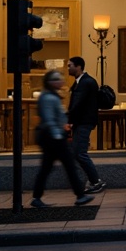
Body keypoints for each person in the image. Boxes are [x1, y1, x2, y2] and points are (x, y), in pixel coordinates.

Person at [30, 70, 93, 208]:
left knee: (49, 167)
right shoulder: (49, 98)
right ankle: (80, 195)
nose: (61, 82)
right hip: (53, 138)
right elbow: (49, 119)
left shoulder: (50, 96)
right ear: (51, 82)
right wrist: (58, 135)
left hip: (53, 137)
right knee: (68, 166)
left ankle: (37, 197)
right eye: (58, 80)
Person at [66, 56, 106, 193]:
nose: (68, 68)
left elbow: (77, 104)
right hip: (82, 122)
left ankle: (95, 181)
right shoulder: (82, 82)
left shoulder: (85, 83)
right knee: (78, 153)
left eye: (70, 65)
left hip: (83, 122)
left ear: (78, 67)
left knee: (80, 153)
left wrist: (69, 121)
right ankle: (93, 180)